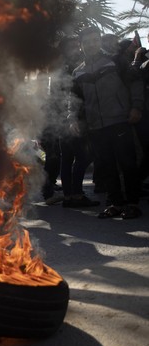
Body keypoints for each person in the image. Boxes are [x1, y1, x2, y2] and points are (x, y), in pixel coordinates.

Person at [70, 27, 143, 219]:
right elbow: (74, 100)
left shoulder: (116, 61)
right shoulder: (78, 72)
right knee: (106, 166)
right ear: (81, 46)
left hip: (120, 121)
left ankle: (133, 204)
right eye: (87, 42)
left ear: (99, 41)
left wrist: (136, 107)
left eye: (95, 40)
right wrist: (73, 119)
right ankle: (115, 204)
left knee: (127, 164)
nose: (91, 44)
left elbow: (135, 82)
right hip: (96, 127)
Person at [52, 36, 99, 208]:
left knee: (69, 158)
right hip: (71, 117)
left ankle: (69, 196)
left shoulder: (59, 66)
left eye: (77, 46)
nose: (76, 49)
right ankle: (76, 196)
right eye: (72, 46)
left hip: (63, 117)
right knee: (80, 156)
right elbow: (72, 94)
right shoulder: (70, 67)